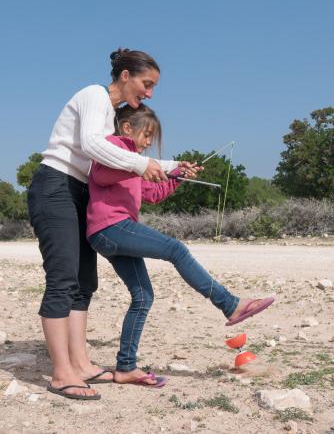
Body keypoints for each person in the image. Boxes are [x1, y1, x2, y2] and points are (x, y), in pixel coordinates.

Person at [28, 48, 199, 400]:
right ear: (125, 76)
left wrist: (173, 167)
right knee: (62, 279)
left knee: (83, 282)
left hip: (79, 193)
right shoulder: (94, 95)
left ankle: (82, 364)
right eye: (146, 84)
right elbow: (93, 146)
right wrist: (143, 165)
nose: (149, 93)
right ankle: (62, 374)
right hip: (56, 186)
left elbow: (125, 158)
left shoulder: (110, 116)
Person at [87, 104, 275, 388]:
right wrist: (141, 165)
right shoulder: (113, 148)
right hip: (110, 227)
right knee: (176, 249)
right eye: (147, 135)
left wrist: (179, 176)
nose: (150, 142)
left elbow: (154, 194)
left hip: (113, 233)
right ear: (127, 128)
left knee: (142, 297)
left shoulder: (137, 163)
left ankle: (125, 367)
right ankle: (230, 305)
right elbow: (101, 174)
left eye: (152, 137)